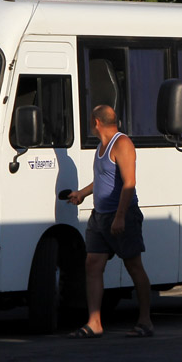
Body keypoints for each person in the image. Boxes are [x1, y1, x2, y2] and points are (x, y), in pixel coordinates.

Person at [66, 104, 154, 338]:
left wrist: (120, 216)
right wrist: (82, 194)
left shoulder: (122, 144)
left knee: (133, 265)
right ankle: (94, 322)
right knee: (92, 265)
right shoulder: (101, 146)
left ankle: (145, 321)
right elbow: (103, 179)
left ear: (96, 122)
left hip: (121, 215)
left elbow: (129, 183)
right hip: (99, 217)